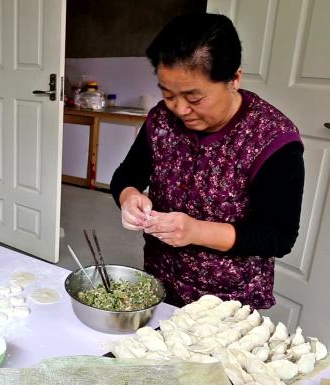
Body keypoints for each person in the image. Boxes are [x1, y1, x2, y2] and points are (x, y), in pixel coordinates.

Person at [110, 13, 304, 309]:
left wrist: (195, 231)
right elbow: (127, 175)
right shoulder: (161, 119)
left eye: (194, 98)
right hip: (161, 279)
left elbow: (278, 237)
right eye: (168, 94)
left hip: (228, 300)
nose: (179, 109)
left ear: (234, 78)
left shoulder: (273, 138)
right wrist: (129, 198)